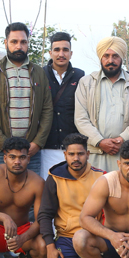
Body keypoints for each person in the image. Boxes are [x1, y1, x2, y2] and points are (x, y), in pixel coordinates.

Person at [0, 22, 52, 174]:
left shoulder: (39, 73)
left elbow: (47, 110)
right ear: (6, 43)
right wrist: (4, 144)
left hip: (30, 151)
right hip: (0, 151)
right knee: (0, 188)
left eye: (23, 42)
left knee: (31, 187)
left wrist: (37, 143)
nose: (19, 46)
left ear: (28, 43)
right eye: (14, 42)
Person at [38, 133, 106, 258]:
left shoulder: (100, 177)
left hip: (89, 237)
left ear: (87, 154)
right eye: (71, 154)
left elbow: (107, 213)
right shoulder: (54, 177)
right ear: (65, 155)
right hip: (65, 237)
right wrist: (50, 246)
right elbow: (45, 214)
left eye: (80, 154)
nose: (76, 158)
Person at [75, 36, 129, 172]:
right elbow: (81, 119)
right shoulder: (86, 83)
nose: (110, 60)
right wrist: (100, 141)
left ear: (122, 57)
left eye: (115, 56)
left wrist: (122, 139)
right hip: (95, 153)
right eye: (106, 56)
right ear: (100, 58)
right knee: (96, 185)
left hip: (126, 155)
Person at [41, 31, 85, 176]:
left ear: (71, 53)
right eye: (57, 50)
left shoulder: (80, 76)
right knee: (48, 185)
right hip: (46, 147)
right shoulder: (40, 75)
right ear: (50, 53)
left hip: (73, 149)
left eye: (65, 50)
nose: (61, 54)